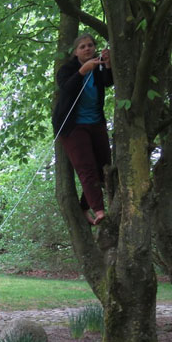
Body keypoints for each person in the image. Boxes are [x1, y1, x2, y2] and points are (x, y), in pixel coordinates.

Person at [52, 33, 113, 225]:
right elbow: (66, 88)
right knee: (86, 168)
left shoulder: (98, 65)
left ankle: (84, 207)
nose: (87, 49)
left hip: (96, 122)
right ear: (76, 52)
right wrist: (82, 72)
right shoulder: (67, 69)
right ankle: (99, 211)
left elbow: (108, 82)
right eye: (82, 46)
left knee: (104, 167)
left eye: (90, 45)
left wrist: (108, 64)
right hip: (73, 125)